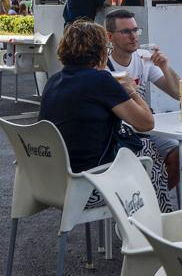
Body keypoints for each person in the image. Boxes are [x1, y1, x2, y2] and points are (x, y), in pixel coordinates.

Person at [38, 20, 172, 211]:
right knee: (147, 148)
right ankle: (156, 224)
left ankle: (137, 223)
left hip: (50, 183)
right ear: (101, 51)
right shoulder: (100, 80)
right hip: (88, 186)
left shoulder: (54, 81)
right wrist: (131, 90)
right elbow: (146, 123)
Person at [105, 9, 182, 189]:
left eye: (136, 30)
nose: (134, 36)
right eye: (126, 32)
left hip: (144, 127)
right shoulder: (103, 65)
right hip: (116, 133)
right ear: (110, 37)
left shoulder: (144, 58)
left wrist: (165, 67)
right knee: (139, 166)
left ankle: (153, 203)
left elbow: (179, 94)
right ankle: (141, 206)